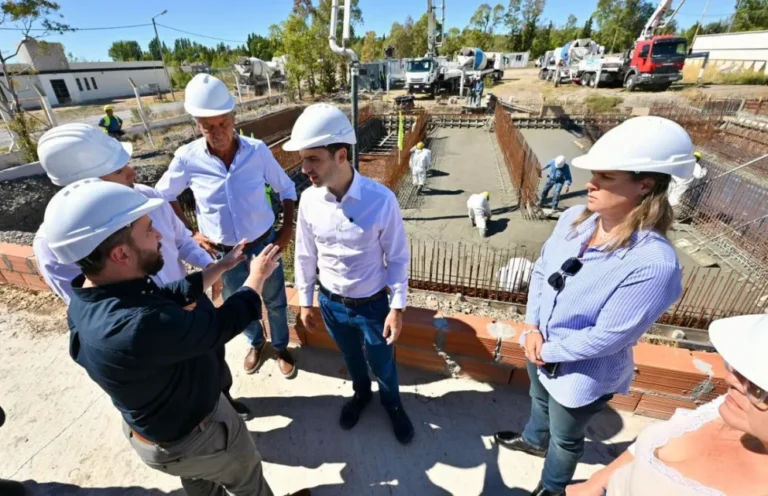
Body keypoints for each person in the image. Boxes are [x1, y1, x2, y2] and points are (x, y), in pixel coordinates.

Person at [45, 180, 308, 496]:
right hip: (201, 438)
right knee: (248, 483)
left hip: (165, 442)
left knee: (202, 486)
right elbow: (221, 325)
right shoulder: (140, 325)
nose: (158, 236)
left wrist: (221, 266)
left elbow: (166, 295)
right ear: (120, 253)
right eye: (147, 231)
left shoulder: (88, 298)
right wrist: (257, 277)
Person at [493, 116, 697, 496]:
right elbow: (541, 273)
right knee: (538, 400)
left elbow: (609, 337)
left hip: (579, 374)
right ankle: (533, 440)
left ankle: (553, 488)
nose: (590, 183)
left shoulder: (652, 263)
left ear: (645, 185)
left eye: (606, 177)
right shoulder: (575, 219)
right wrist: (533, 328)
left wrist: (547, 349)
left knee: (566, 437)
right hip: (540, 346)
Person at [156, 74, 298, 379]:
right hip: (225, 254)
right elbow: (163, 196)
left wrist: (285, 231)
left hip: (264, 244)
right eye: (209, 127)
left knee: (274, 299)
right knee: (238, 303)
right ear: (197, 125)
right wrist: (190, 233)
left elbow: (286, 188)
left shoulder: (257, 151)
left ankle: (281, 346)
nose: (218, 132)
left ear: (234, 118)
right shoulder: (187, 158)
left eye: (224, 124)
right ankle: (256, 343)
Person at [288, 104, 414, 445]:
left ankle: (392, 403)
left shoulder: (381, 200)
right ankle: (362, 394)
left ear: (341, 155)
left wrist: (397, 308)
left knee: (383, 362)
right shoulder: (309, 201)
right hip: (332, 304)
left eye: (313, 159)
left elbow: (398, 257)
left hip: (373, 306)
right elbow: (305, 255)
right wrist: (307, 301)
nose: (304, 169)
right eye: (303, 160)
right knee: (351, 357)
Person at [567, 313, 768, 496]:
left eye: (758, 388)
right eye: (737, 367)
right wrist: (596, 482)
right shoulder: (726, 407)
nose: (730, 379)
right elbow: (642, 450)